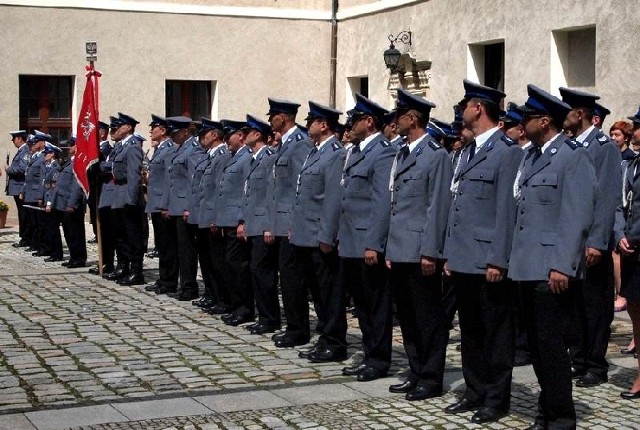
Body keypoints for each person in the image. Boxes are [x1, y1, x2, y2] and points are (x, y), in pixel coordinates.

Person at [510, 84, 596, 429]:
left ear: (545, 121)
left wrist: (562, 265)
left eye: (528, 117)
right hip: (527, 266)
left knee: (552, 347)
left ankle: (561, 416)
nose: (521, 122)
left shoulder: (572, 156)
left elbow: (575, 216)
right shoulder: (532, 155)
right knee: (537, 347)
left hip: (551, 270)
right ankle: (547, 410)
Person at [442, 80, 523, 424]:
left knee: (496, 333)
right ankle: (474, 390)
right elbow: (457, 204)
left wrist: (498, 258)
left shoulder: (507, 152)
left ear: (478, 108)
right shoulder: (465, 151)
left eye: (465, 104)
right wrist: (448, 253)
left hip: (488, 260)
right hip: (462, 257)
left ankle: (495, 398)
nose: (461, 111)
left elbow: (507, 211)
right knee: (471, 331)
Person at [385, 89, 452, 400]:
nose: (395, 121)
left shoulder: (435, 156)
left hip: (420, 251)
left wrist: (431, 251)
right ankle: (415, 370)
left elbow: (437, 207)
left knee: (427, 318)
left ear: (412, 119)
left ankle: (431, 376)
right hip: (400, 248)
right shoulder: (402, 153)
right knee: (409, 318)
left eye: (399, 115)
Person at [560, 87, 622, 388]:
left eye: (567, 111)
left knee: (596, 307)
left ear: (580, 114)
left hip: (592, 242)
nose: (563, 117)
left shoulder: (604, 146)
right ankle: (580, 358)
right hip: (572, 241)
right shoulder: (571, 146)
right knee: (575, 307)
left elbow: (607, 197)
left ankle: (596, 365)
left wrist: (597, 241)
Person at [338, 93, 396, 382]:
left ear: (369, 122)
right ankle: (369, 352)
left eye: (355, 120)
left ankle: (379, 359)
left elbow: (381, 202)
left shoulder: (382, 152)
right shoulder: (359, 151)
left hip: (367, 244)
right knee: (362, 306)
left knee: (376, 305)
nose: (350, 125)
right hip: (350, 241)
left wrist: (374, 242)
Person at [289, 101, 346, 362]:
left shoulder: (335, 153)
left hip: (320, 237)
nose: (307, 125)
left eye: (311, 120)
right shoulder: (315, 152)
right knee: (318, 292)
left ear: (324, 125)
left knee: (328, 293)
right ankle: (325, 338)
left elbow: (332, 199)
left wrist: (326, 235)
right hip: (306, 234)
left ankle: (334, 342)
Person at [264, 98, 315, 348]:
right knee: (287, 278)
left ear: (283, 117)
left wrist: (295, 221)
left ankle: (298, 329)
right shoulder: (284, 144)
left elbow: (300, 187)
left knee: (293, 280)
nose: (270, 120)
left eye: (273, 116)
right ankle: (293, 325)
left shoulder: (299, 144)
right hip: (281, 222)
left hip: (291, 224)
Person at [240, 115, 280, 334]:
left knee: (263, 273)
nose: (242, 137)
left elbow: (270, 195)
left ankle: (270, 318)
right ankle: (264, 315)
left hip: (263, 224)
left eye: (247, 133)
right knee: (256, 271)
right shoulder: (254, 158)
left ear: (257, 135)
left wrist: (267, 225)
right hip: (253, 222)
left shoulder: (267, 157)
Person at [214, 119, 254, 326]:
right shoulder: (233, 157)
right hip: (227, 220)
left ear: (240, 136)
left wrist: (242, 220)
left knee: (238, 266)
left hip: (236, 220)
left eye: (229, 135)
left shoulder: (246, 158)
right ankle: (236, 304)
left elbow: (245, 192)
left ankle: (245, 308)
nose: (226, 139)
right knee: (230, 264)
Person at [615, 106, 640, 400]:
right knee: (636, 314)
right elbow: (621, 204)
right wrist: (620, 233)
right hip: (632, 249)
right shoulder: (632, 165)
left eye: (637, 126)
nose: (634, 132)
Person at [166, 116, 201, 300]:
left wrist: (189, 207)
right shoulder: (180, 149)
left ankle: (189, 287)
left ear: (185, 132)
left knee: (187, 250)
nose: (172, 136)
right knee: (179, 248)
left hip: (184, 208)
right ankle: (184, 284)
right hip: (176, 206)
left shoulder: (193, 150)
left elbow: (193, 181)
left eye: (175, 132)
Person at [110, 113, 146, 286]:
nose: (116, 129)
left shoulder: (132, 147)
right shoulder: (120, 146)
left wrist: (131, 199)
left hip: (128, 195)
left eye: (120, 126)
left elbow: (133, 175)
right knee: (121, 235)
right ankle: (123, 266)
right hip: (119, 193)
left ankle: (136, 270)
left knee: (132, 235)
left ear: (129, 128)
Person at [143, 115, 174, 292]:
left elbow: (169, 178)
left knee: (167, 245)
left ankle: (169, 280)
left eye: (154, 128)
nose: (150, 131)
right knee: (161, 244)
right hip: (155, 202)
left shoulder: (168, 148)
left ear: (162, 131)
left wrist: (165, 204)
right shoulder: (159, 149)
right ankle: (164, 278)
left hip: (162, 202)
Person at [56, 137, 87, 268]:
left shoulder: (79, 162)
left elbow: (77, 185)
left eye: (72, 145)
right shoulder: (71, 161)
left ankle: (79, 258)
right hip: (64, 202)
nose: (69, 148)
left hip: (72, 204)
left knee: (76, 233)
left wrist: (72, 203)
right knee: (69, 232)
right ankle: (74, 257)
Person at [20, 131, 48, 255]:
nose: (33, 145)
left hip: (37, 193)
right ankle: (35, 244)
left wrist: (40, 195)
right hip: (31, 192)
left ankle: (42, 246)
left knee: (40, 223)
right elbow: (28, 176)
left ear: (42, 143)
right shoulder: (35, 156)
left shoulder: (43, 157)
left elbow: (43, 178)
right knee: (33, 222)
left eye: (36, 142)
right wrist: (24, 190)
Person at [6, 130, 31, 247]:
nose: (13, 141)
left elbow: (23, 169)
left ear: (20, 138)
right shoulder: (21, 151)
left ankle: (26, 238)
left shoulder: (25, 150)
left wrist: (9, 169)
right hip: (18, 188)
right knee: (22, 214)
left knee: (24, 214)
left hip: (21, 188)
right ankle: (25, 237)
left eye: (14, 138)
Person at [41, 142, 63, 261]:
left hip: (52, 202)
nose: (45, 155)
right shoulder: (49, 167)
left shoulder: (55, 169)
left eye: (47, 153)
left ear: (52, 154)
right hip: (47, 200)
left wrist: (49, 203)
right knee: (49, 229)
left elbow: (53, 188)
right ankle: (53, 252)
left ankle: (57, 254)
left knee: (53, 229)